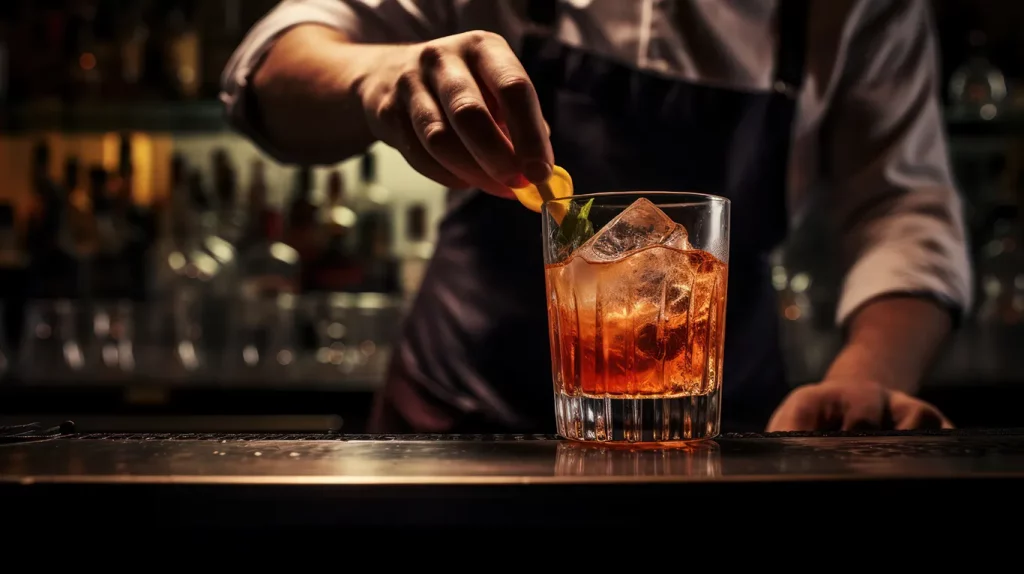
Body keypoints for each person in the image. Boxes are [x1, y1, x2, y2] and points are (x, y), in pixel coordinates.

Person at [222, 0, 972, 433]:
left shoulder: (865, 11)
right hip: (454, 425)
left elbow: (904, 206)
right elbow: (272, 64)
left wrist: (867, 377)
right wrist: (374, 76)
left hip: (717, 430)